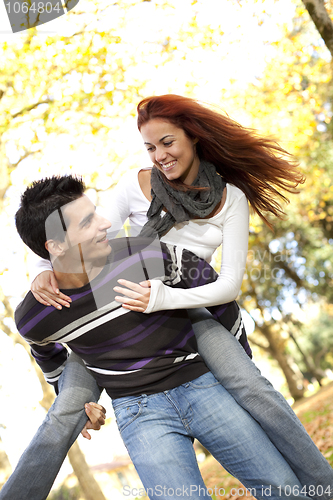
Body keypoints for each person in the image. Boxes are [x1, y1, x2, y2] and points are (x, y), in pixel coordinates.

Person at [29, 95, 333, 498]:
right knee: (64, 410)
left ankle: (322, 489)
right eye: (150, 147)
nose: (159, 156)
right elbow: (82, 241)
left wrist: (164, 299)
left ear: (194, 137)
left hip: (191, 309)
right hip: (120, 314)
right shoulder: (136, 186)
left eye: (167, 143)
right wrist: (40, 271)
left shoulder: (231, 200)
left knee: (256, 391)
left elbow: (228, 285)